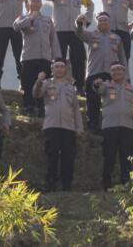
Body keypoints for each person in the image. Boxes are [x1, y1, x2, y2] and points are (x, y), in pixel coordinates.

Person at [93, 63, 133, 190]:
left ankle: (126, 184)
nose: (116, 72)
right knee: (109, 155)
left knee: (126, 157)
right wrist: (96, 84)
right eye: (113, 70)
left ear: (124, 72)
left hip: (127, 126)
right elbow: (98, 90)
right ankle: (106, 185)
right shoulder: (106, 86)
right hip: (109, 127)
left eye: (119, 69)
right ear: (110, 73)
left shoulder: (131, 88)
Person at [33, 59, 85, 191]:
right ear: (52, 69)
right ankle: (51, 184)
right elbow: (36, 94)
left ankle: (67, 185)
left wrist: (79, 128)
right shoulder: (46, 83)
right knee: (52, 155)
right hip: (51, 126)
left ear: (65, 69)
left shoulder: (70, 87)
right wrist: (39, 80)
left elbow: (76, 110)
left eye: (62, 67)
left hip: (69, 127)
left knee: (68, 157)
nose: (59, 69)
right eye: (57, 67)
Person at [43, 0, 95, 96]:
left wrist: (86, 19)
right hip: (59, 31)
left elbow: (90, 4)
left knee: (79, 58)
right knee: (58, 59)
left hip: (76, 30)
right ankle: (55, 84)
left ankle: (79, 86)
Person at [12, 0, 61, 117]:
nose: (35, 3)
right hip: (28, 57)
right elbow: (16, 27)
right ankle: (29, 107)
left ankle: (42, 107)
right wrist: (31, 18)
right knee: (28, 84)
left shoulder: (48, 20)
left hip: (45, 58)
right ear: (28, 3)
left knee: (44, 84)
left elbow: (53, 40)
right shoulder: (22, 17)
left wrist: (57, 58)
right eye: (32, 1)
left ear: (41, 4)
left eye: (38, 1)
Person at [77, 12, 126, 132]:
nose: (103, 23)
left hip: (111, 75)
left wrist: (125, 77)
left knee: (111, 102)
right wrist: (79, 23)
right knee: (93, 102)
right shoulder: (91, 35)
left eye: (105, 20)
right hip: (94, 72)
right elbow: (79, 33)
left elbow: (122, 58)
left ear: (110, 23)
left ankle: (111, 127)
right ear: (97, 23)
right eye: (100, 21)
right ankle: (93, 127)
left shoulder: (117, 38)